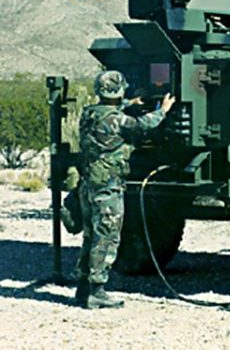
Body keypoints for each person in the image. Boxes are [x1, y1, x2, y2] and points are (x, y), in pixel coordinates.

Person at [74, 70, 175, 309]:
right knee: (106, 237)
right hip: (107, 187)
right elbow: (141, 126)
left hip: (89, 184)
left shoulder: (89, 113)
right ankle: (97, 291)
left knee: (90, 236)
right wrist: (163, 110)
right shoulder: (117, 120)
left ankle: (83, 287)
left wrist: (130, 103)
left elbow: (110, 114)